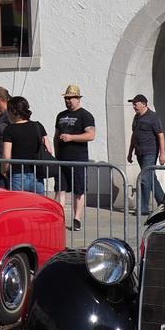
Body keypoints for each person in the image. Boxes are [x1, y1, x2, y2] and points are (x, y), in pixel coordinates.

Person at [52, 84, 96, 230]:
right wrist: (56, 153)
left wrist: (71, 137)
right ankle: (58, 217)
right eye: (66, 98)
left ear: (78, 99)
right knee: (60, 189)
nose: (68, 100)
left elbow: (91, 135)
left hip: (78, 158)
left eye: (71, 98)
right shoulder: (61, 115)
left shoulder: (85, 115)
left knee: (79, 189)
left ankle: (76, 218)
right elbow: (56, 135)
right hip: (62, 158)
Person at [127, 94, 165, 216]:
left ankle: (143, 207)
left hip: (150, 152)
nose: (134, 106)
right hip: (139, 152)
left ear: (144, 104)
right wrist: (130, 152)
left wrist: (162, 154)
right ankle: (164, 202)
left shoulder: (152, 117)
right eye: (133, 103)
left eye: (136, 103)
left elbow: (160, 135)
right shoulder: (136, 118)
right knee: (151, 178)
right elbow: (134, 136)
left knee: (144, 179)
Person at [0, 96, 49, 194]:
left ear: (13, 111)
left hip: (17, 174)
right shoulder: (37, 126)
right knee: (38, 207)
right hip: (36, 173)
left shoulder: (10, 130)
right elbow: (49, 149)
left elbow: (6, 155)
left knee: (18, 207)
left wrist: (4, 170)